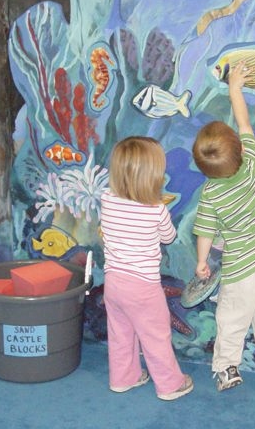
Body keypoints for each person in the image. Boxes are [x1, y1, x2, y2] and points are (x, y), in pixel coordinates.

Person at [191, 62, 255, 405]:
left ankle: (226, 367)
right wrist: (235, 87)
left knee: (231, 318)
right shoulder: (253, 161)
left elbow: (205, 230)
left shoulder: (211, 193)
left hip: (241, 272)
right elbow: (245, 122)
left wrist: (202, 263)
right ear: (239, 147)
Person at [101, 136, 193, 401]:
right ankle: (170, 385)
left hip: (114, 282)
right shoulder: (156, 210)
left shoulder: (108, 199)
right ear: (153, 174)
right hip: (143, 287)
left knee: (121, 333)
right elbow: (169, 237)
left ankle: (123, 378)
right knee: (156, 336)